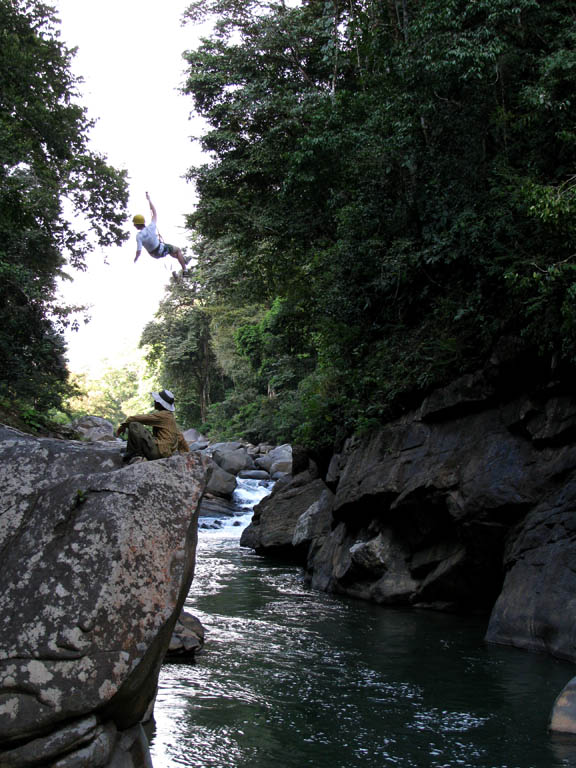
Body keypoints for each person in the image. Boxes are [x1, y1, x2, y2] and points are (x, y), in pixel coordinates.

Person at [116, 389, 190, 464]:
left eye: (156, 400)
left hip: (157, 453)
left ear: (161, 404)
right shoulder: (170, 418)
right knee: (139, 428)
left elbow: (134, 418)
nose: (154, 401)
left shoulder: (163, 415)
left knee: (134, 425)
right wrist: (187, 454)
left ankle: (134, 454)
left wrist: (123, 426)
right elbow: (180, 437)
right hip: (164, 453)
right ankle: (135, 454)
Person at [132, 192, 187, 272]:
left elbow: (139, 251)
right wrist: (149, 200)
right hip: (161, 249)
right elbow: (154, 212)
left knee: (172, 252)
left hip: (154, 254)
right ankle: (185, 270)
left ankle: (184, 260)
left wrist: (136, 259)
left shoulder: (139, 236)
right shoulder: (152, 226)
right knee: (177, 250)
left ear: (136, 224)